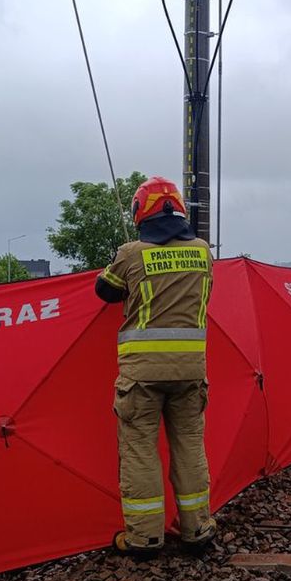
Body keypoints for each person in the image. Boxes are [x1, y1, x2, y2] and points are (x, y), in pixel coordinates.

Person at [95, 176, 216, 560]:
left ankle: (145, 538)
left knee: (140, 452)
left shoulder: (131, 253)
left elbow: (105, 290)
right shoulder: (202, 251)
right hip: (190, 372)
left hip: (142, 377)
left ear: (140, 213)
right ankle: (197, 528)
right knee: (190, 449)